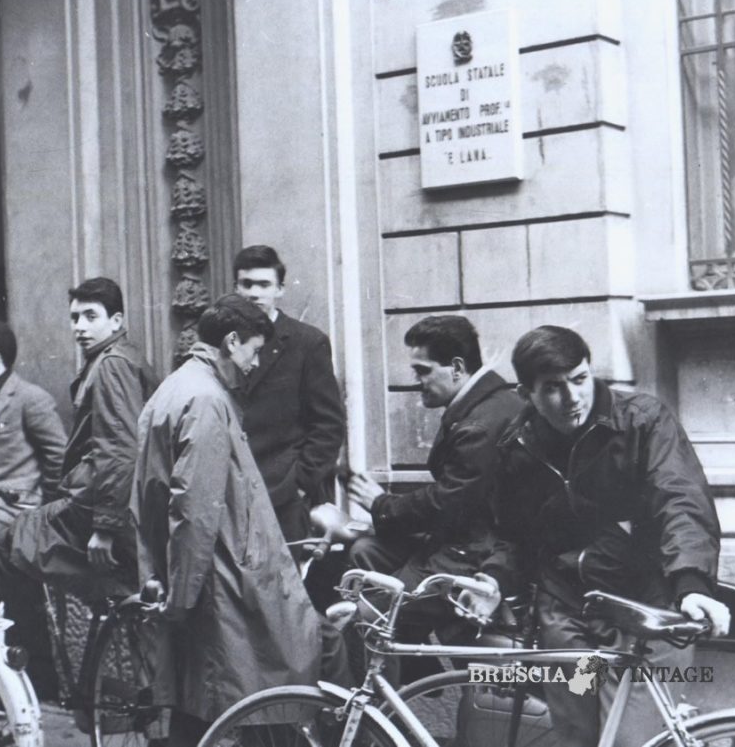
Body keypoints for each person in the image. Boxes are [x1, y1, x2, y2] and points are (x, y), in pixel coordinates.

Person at [483, 325, 730, 747]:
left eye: (580, 379)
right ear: (527, 393)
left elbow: (681, 500)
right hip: (572, 621)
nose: (573, 397)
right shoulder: (518, 446)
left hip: (648, 616)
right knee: (580, 735)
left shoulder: (642, 421)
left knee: (631, 741)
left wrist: (691, 584)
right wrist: (493, 581)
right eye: (553, 388)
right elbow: (513, 536)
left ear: (591, 370)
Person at [132, 294, 349, 747]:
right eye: (252, 351)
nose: (253, 365)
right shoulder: (208, 400)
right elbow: (193, 511)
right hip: (223, 583)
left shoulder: (175, 389)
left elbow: (158, 499)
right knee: (291, 670)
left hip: (207, 576)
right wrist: (182, 596)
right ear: (231, 342)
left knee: (207, 708)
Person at [346, 316, 521, 676]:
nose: (417, 383)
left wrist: (381, 505)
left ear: (456, 367)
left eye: (423, 371)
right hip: (465, 544)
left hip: (470, 557)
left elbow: (448, 502)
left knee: (363, 621)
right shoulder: (485, 405)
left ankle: (379, 723)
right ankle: (413, 670)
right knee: (366, 551)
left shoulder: (480, 423)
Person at [9, 277, 159, 596]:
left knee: (12, 542)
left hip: (105, 507)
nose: (80, 326)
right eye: (75, 317)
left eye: (91, 316)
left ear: (116, 320)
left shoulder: (112, 364)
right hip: (105, 499)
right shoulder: (113, 357)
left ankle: (33, 644)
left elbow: (119, 449)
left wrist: (104, 527)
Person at [0, 321, 67, 696]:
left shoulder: (29, 398)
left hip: (18, 512)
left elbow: (58, 456)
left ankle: (35, 678)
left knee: (17, 598)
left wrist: (45, 511)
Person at [233, 245, 345, 547]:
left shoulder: (307, 343)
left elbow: (329, 426)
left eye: (264, 285)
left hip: (286, 499)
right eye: (246, 284)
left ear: (280, 289)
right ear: (235, 288)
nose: (254, 293)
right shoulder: (226, 344)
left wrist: (298, 485)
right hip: (235, 495)